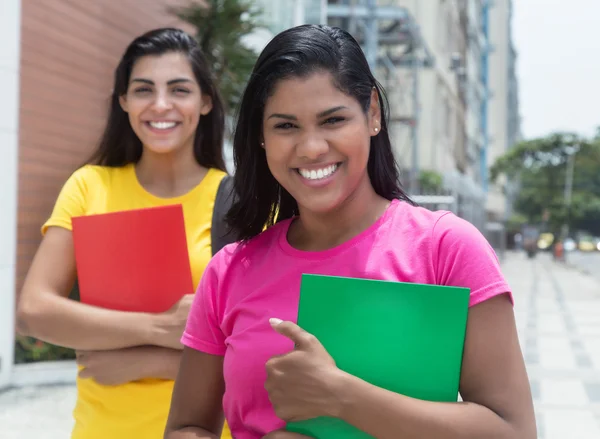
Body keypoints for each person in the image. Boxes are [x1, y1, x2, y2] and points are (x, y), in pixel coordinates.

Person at [164, 24, 537, 439]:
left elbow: (513, 430)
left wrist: (342, 397)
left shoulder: (445, 249)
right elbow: (186, 426)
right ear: (261, 137)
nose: (311, 147)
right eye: (286, 126)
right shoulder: (230, 270)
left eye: (333, 120)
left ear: (372, 113)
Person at [17, 28, 235, 439]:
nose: (160, 105)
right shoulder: (89, 186)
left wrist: (149, 361)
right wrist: (158, 329)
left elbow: (268, 348)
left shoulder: (240, 204)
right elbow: (35, 311)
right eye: (143, 90)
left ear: (205, 101)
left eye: (179, 89)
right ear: (124, 102)